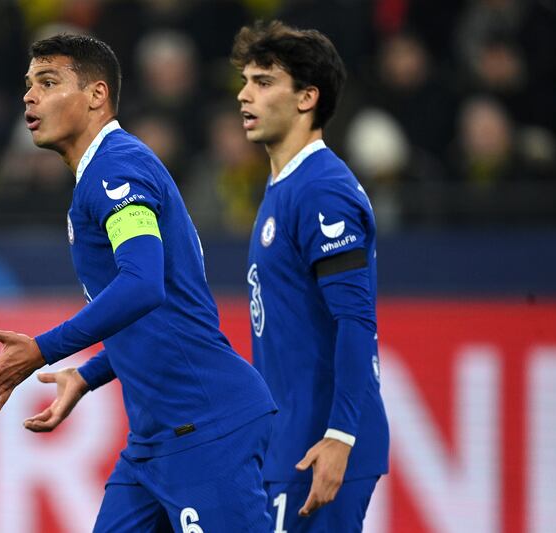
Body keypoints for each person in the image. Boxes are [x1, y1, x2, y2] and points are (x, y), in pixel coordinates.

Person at [0, 34, 277, 532]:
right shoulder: (107, 172)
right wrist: (87, 375)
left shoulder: (116, 171)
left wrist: (44, 349)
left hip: (205, 427)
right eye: (28, 85)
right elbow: (158, 310)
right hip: (155, 440)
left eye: (48, 82)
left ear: (97, 95)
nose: (30, 96)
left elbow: (142, 284)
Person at [230, 21, 390, 532]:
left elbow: (355, 321)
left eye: (263, 82)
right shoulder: (281, 187)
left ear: (307, 98)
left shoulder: (322, 190)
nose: (244, 94)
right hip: (291, 442)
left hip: (322, 443)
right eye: (246, 81)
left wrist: (341, 436)